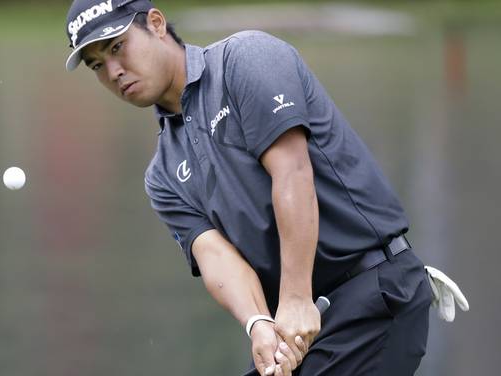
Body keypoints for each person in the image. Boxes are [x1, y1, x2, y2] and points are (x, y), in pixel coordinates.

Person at [63, 1, 467, 375]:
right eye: (97, 65)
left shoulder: (246, 59)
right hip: (304, 326)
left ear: (156, 23)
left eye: (118, 47)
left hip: (375, 293)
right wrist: (258, 323)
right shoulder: (163, 174)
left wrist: (294, 299)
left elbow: (292, 172)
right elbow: (216, 256)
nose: (113, 71)